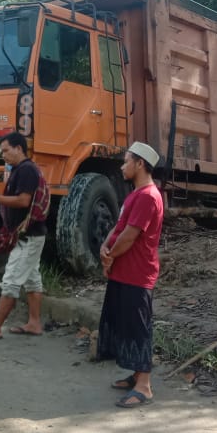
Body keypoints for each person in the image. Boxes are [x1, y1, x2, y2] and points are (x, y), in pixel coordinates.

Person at [96, 142, 165, 409]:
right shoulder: (136, 194)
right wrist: (105, 245)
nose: (122, 166)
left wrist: (110, 255)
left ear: (140, 164)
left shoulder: (148, 196)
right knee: (125, 325)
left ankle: (144, 386)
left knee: (138, 328)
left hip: (137, 273)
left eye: (126, 161)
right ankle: (136, 374)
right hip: (124, 272)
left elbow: (130, 235)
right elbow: (120, 226)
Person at [0, 132, 48, 339]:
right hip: (29, 234)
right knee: (32, 279)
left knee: (11, 280)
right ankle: (34, 323)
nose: (3, 155)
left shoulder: (26, 171)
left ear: (19, 148)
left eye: (6, 150)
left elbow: (23, 201)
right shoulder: (20, 170)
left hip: (28, 236)